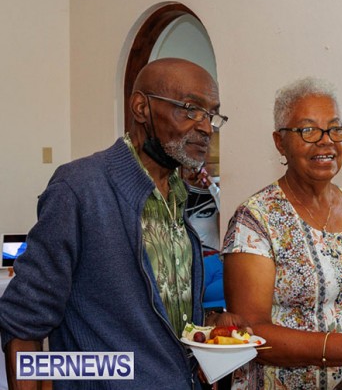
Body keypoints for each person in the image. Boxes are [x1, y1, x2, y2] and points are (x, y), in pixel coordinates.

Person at [0, 58, 248, 390]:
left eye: (211, 114)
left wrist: (208, 330)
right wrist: (108, 372)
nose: (206, 127)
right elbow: (23, 327)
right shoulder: (81, 188)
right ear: (141, 107)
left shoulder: (177, 195)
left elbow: (144, 320)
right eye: (191, 109)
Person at [222, 77, 342, 390]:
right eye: (308, 130)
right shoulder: (255, 219)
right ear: (280, 142)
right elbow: (251, 333)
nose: (326, 141)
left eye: (335, 129)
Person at [181, 164, 226, 310]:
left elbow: (228, 209)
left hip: (211, 258)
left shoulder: (216, 195)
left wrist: (211, 186)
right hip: (188, 261)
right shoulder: (178, 195)